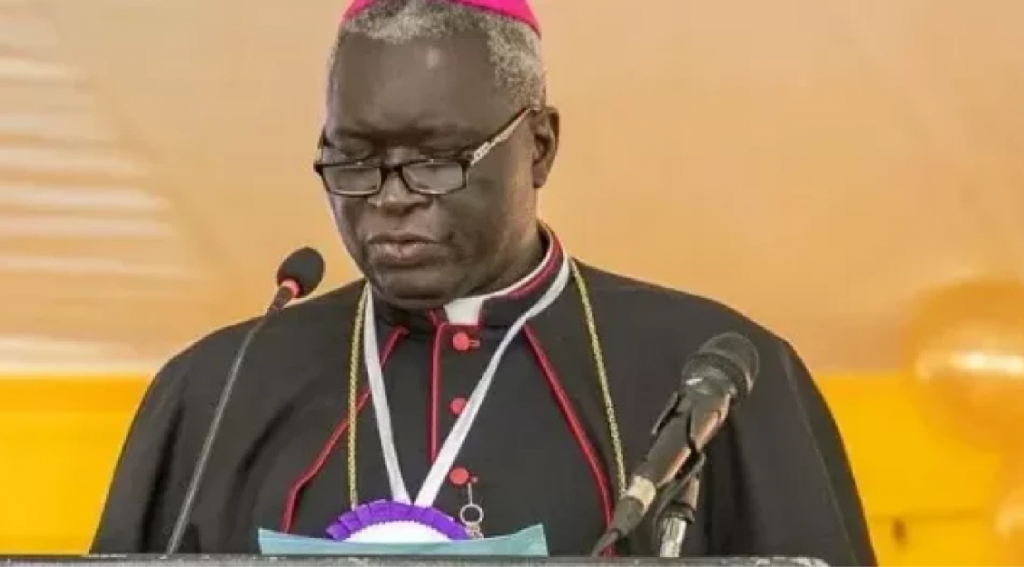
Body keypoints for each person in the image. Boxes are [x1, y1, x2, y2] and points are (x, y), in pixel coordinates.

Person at [90, 0, 876, 564]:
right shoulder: (220, 388)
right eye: (354, 160)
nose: (390, 197)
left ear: (539, 147)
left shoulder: (713, 378)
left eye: (436, 161)